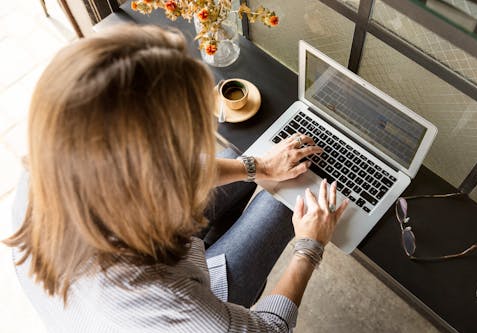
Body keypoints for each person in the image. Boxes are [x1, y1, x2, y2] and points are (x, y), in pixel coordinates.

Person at [4, 24, 349, 332]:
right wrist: (309, 248)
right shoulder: (169, 306)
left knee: (258, 167)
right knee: (289, 203)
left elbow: (178, 170)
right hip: (191, 298)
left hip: (154, 253)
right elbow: (267, 329)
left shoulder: (50, 161)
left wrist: (257, 166)